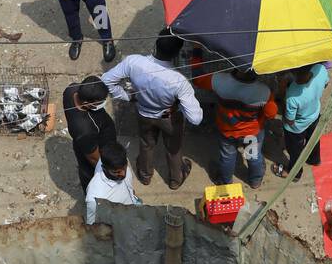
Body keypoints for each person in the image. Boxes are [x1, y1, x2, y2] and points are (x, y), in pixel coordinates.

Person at [102, 30, 201, 189]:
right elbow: (196, 118)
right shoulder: (179, 81)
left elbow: (106, 80)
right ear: (177, 53)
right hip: (169, 118)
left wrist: (127, 96)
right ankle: (175, 180)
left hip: (143, 113)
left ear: (156, 44)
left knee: (146, 144)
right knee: (173, 148)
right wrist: (179, 105)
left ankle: (144, 175)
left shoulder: (133, 62)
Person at [211, 66, 277, 188]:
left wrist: (197, 53)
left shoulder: (219, 80)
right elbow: (271, 113)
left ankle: (226, 181)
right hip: (251, 132)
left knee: (227, 157)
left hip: (227, 131)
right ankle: (255, 181)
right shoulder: (263, 91)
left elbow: (198, 80)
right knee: (252, 156)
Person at [63, 76, 117, 191]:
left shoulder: (71, 90)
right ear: (86, 103)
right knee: (90, 174)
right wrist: (106, 171)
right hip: (94, 146)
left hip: (88, 140)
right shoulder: (84, 130)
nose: (103, 103)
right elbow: (93, 158)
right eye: (100, 102)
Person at [277, 62, 328, 179]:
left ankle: (295, 173)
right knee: (313, 140)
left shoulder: (292, 96)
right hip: (315, 115)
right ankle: (314, 160)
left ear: (293, 73)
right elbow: (326, 84)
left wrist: (283, 90)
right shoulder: (320, 69)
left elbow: (290, 121)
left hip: (297, 128)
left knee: (295, 151)